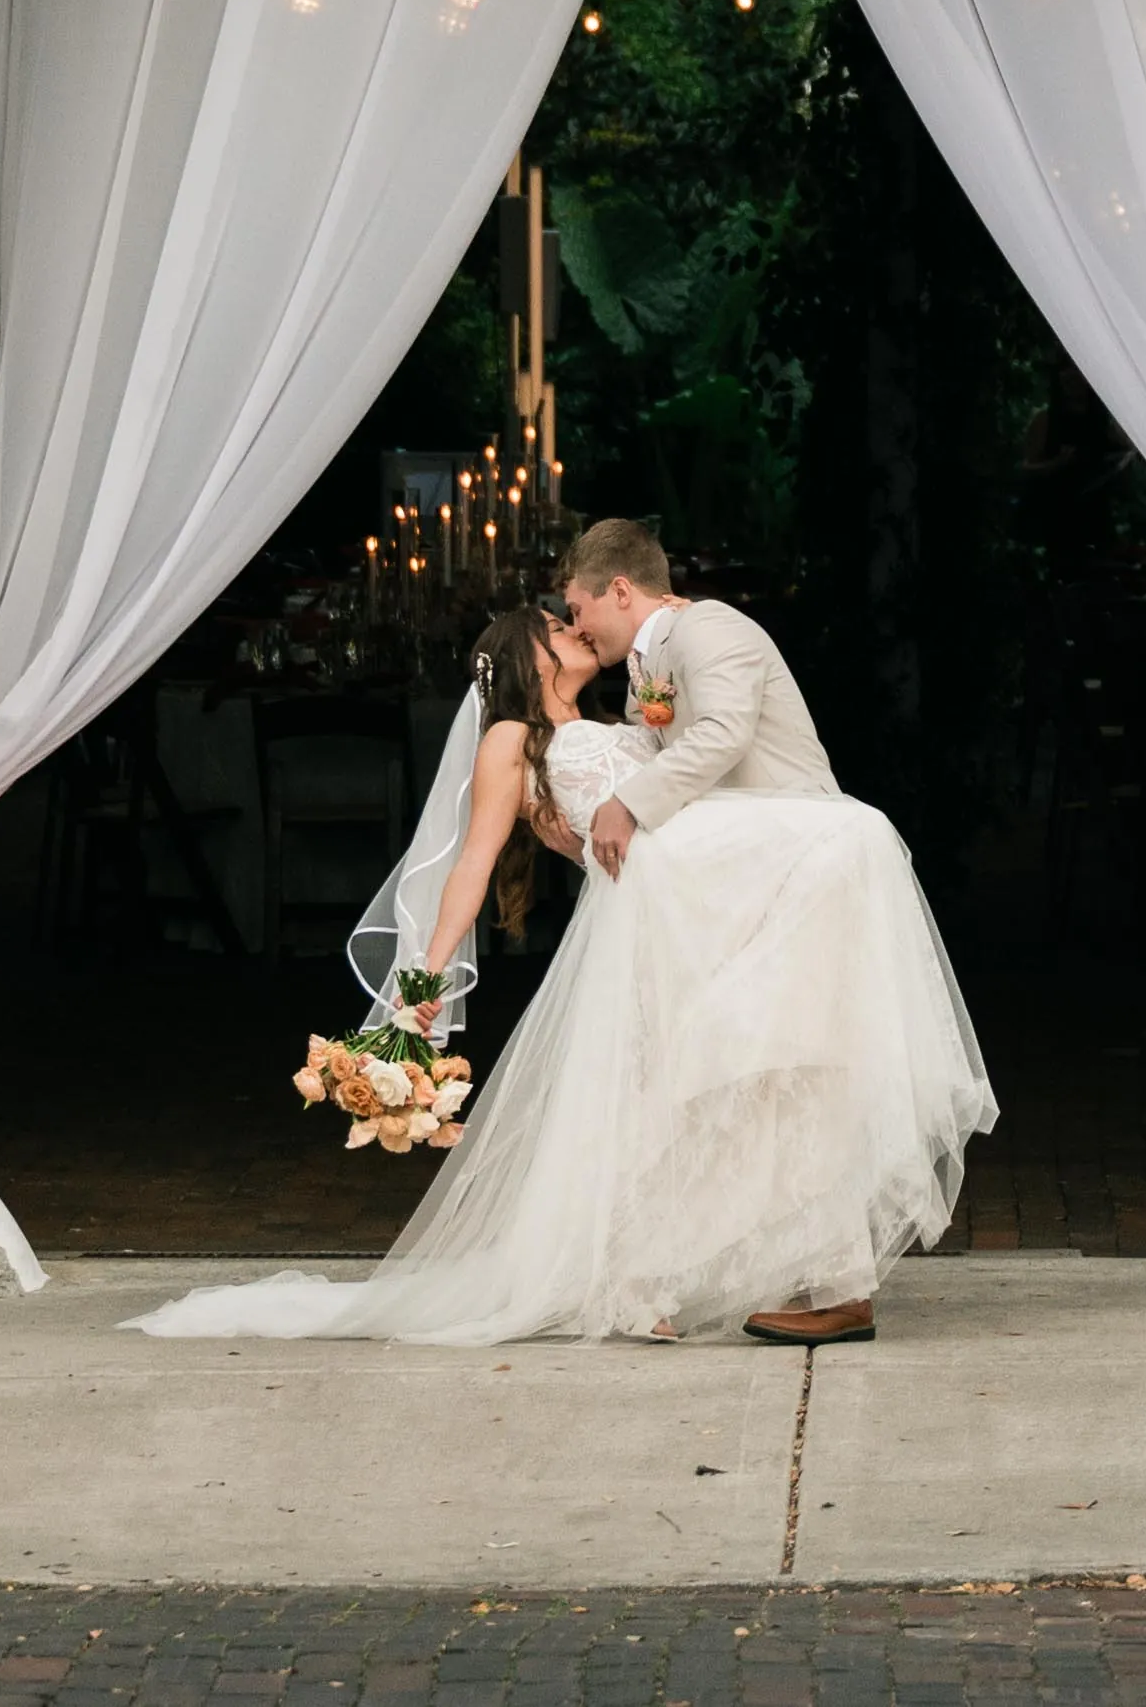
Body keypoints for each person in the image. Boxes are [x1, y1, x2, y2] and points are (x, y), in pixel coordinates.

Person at [129, 534, 991, 1349]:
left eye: (574, 612)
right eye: (557, 626)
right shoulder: (513, 739)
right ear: (527, 661)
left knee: (763, 1082)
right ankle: (642, 1281)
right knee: (677, 1097)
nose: (574, 626)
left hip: (705, 913)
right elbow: (473, 864)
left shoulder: (626, 717)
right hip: (665, 927)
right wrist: (420, 990)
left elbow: (671, 779)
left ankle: (790, 1277)